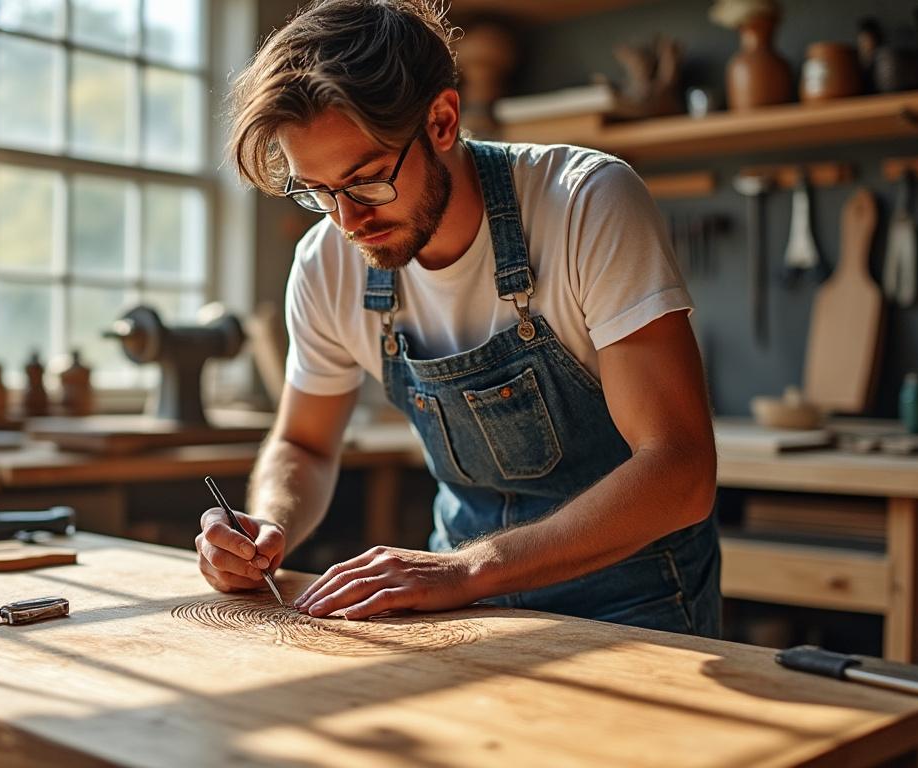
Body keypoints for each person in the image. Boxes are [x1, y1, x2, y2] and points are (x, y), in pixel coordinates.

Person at [196, 0, 721, 636]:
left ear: (442, 121)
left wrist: (470, 570)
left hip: (632, 606)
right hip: (464, 603)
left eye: (366, 181)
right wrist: (268, 522)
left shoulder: (585, 203)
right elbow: (304, 444)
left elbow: (680, 469)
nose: (346, 220)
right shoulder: (326, 262)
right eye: (318, 191)